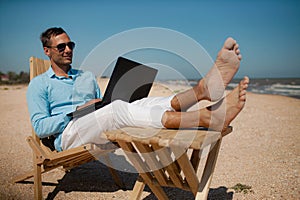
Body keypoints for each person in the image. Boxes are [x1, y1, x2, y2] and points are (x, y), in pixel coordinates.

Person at [27, 27, 249, 152]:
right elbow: (40, 128)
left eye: (70, 45)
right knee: (116, 110)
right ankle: (204, 117)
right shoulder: (40, 84)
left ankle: (201, 92)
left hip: (95, 124)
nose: (68, 50)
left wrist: (97, 106)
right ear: (47, 51)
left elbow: (100, 107)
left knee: (140, 104)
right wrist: (75, 111)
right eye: (61, 46)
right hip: (66, 136)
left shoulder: (86, 77)